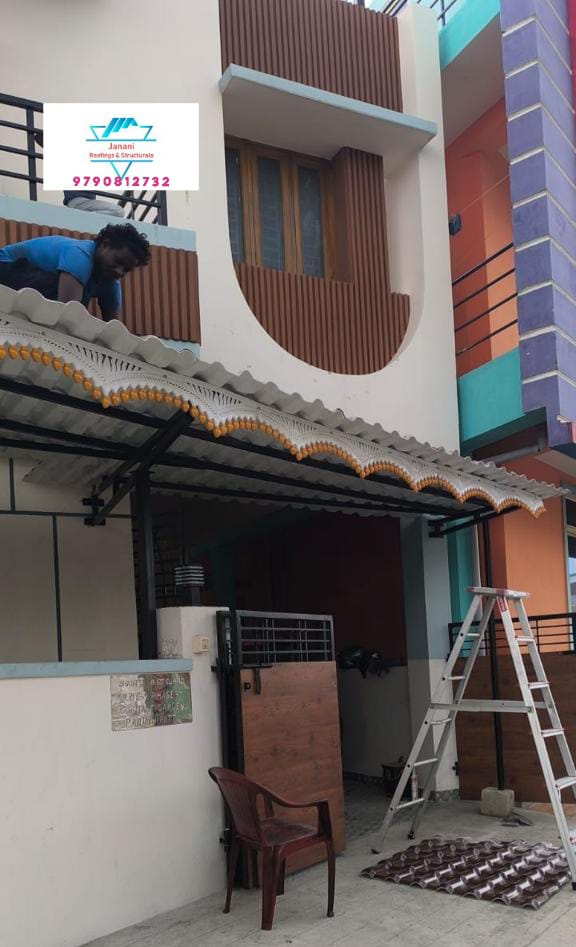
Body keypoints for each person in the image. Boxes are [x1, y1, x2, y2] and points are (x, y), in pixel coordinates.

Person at [0, 222, 150, 321]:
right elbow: (67, 311)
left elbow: (114, 329)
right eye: (118, 261)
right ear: (105, 245)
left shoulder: (110, 281)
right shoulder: (80, 255)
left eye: (126, 270)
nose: (119, 271)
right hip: (5, 267)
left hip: (28, 278)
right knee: (77, 303)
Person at [34, 131, 125, 217]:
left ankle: (82, 218)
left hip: (84, 203)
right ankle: (81, 218)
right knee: (118, 211)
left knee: (117, 212)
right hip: (79, 201)